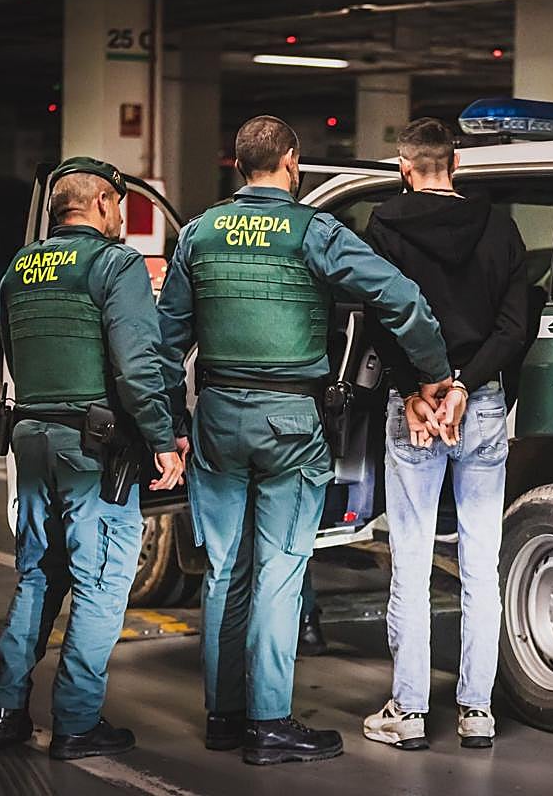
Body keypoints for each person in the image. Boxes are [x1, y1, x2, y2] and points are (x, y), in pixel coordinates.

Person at [156, 116, 452, 766]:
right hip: (289, 422)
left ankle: (223, 717)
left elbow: (164, 343)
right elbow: (402, 299)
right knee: (280, 572)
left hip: (217, 417)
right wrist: (434, 375)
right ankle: (268, 724)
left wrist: (166, 427)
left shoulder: (199, 234)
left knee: (225, 569)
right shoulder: (313, 232)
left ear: (237, 165)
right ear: (292, 161)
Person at [0, 157, 185, 761]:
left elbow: (13, 353)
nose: (122, 215)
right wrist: (161, 439)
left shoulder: (19, 269)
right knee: (101, 582)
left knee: (39, 573)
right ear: (99, 204)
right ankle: (75, 722)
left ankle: (4, 706)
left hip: (32, 434)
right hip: (92, 447)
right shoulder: (113, 264)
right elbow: (137, 366)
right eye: (119, 204)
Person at [361, 117, 528, 751]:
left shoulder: (385, 225)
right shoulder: (500, 228)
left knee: (410, 559)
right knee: (481, 564)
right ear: (454, 162)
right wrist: (462, 385)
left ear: (406, 168)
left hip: (415, 408)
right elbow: (514, 328)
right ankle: (476, 711)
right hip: (478, 404)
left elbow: (383, 315)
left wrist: (416, 389)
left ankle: (407, 713)